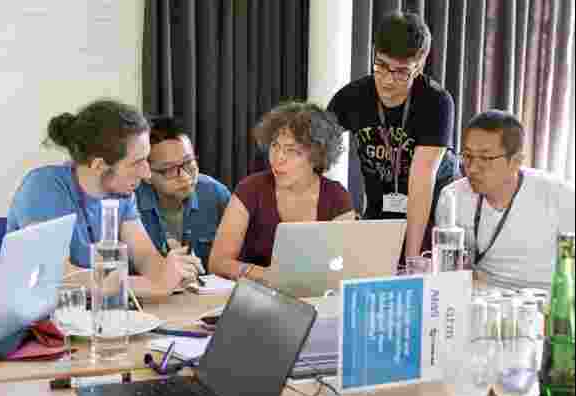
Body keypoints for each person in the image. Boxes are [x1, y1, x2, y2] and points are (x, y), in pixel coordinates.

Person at [6, 99, 200, 296]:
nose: (147, 173)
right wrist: (154, 285)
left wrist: (174, 272)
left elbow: (146, 259)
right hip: (38, 320)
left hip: (92, 318)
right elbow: (59, 276)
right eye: (137, 162)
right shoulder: (43, 187)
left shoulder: (122, 193)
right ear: (98, 165)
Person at [327, 11, 455, 259]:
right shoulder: (352, 97)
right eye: (381, 66)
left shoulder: (436, 102)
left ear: (419, 65)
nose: (387, 80)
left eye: (401, 71)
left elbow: (422, 182)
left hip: (431, 217)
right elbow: (315, 149)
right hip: (380, 211)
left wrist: (412, 259)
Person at [209, 102, 355, 281]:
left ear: (316, 156)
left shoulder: (337, 197)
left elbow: (345, 266)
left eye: (292, 151)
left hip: (317, 297)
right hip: (256, 297)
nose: (278, 158)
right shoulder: (251, 188)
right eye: (275, 146)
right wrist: (271, 276)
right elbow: (218, 262)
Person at [436, 110, 575, 290]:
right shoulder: (451, 197)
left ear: (516, 161)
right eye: (468, 156)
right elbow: (449, 271)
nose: (472, 169)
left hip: (544, 303)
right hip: (482, 300)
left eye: (485, 158)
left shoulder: (561, 196)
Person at [135, 116, 231, 269]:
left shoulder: (216, 194)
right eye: (169, 170)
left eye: (189, 163)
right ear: (146, 174)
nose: (185, 177)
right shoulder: (129, 201)